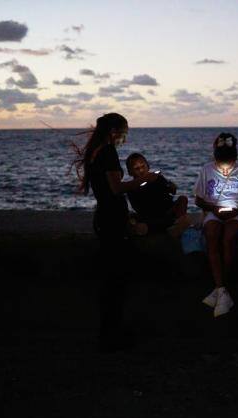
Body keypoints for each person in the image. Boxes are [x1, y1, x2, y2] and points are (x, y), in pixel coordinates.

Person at [71, 113, 158, 351]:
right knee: (116, 279)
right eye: (123, 133)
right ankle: (111, 334)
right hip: (111, 222)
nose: (124, 138)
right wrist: (144, 180)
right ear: (113, 131)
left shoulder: (96, 151)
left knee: (112, 277)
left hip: (106, 218)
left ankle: (110, 331)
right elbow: (116, 187)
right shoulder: (108, 152)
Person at [194, 132, 238, 317]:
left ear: (236, 158)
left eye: (229, 164)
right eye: (221, 164)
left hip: (237, 213)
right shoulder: (207, 169)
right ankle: (221, 289)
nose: (225, 168)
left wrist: (237, 211)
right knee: (211, 234)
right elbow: (198, 200)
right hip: (214, 211)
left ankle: (221, 286)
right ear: (215, 158)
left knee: (228, 237)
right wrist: (214, 208)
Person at [125, 152, 188, 236]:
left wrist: (170, 186)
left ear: (148, 166)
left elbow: (172, 191)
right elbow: (137, 207)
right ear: (130, 172)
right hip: (149, 216)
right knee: (135, 221)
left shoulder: (157, 178)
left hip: (167, 211)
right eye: (137, 168)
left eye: (143, 166)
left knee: (183, 199)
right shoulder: (132, 186)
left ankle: (176, 224)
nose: (141, 170)